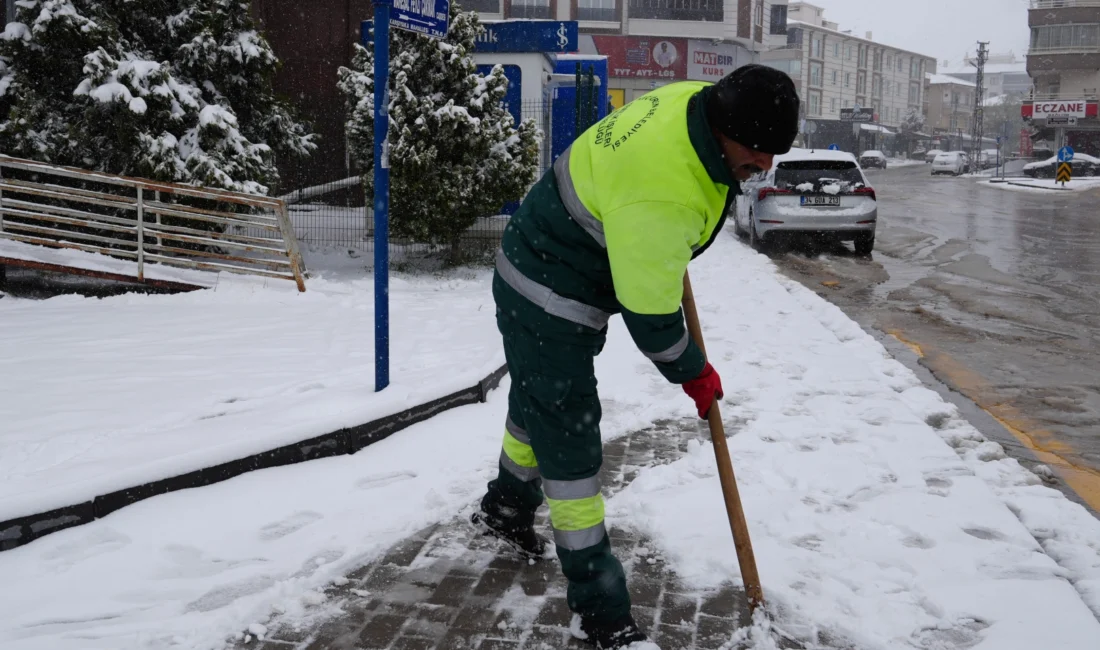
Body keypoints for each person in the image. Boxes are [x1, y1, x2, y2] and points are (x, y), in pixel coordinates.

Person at [471, 65, 800, 649]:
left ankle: (503, 508)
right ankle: (600, 614)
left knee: (537, 401)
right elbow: (652, 322)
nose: (765, 165)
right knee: (569, 446)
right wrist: (693, 371)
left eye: (773, 152)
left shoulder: (695, 106)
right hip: (547, 291)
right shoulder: (662, 190)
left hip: (551, 262)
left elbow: (655, 234)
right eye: (756, 150)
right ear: (724, 129)